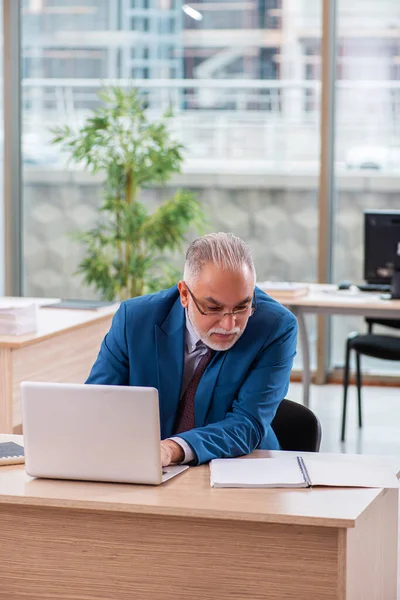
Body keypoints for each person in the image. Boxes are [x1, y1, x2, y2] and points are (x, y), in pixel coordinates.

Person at [86, 232, 298, 466]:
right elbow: (96, 404)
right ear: (185, 294)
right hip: (147, 467)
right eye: (213, 308)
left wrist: (172, 449)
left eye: (242, 307)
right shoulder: (135, 320)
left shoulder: (275, 327)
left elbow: (247, 424)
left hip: (241, 467)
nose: (230, 325)